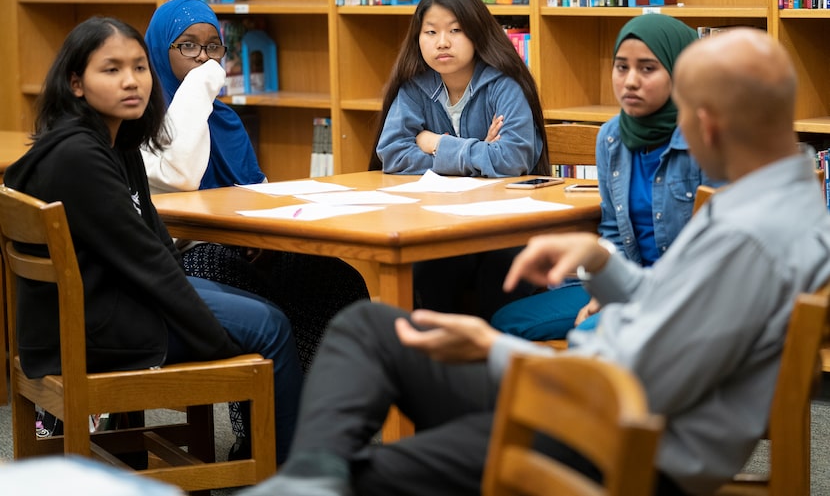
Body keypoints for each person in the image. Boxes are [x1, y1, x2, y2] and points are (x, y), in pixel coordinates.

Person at [237, 28, 830, 496]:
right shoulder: (779, 203)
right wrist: (603, 261)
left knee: (365, 471)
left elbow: (635, 387)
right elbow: (673, 310)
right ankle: (309, 474)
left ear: (706, 123)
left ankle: (310, 477)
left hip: (601, 439)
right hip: (583, 406)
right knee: (371, 329)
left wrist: (493, 350)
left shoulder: (750, 237)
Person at [3, 16, 302, 465]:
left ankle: (277, 459)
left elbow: (155, 242)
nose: (132, 81)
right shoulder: (78, 157)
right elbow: (147, 264)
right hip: (94, 327)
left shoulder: (114, 141)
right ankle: (292, 477)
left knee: (259, 308)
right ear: (75, 83)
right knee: (269, 326)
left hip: (105, 304)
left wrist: (207, 315)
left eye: (140, 67)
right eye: (112, 69)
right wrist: (213, 342)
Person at [141, 0, 370, 374]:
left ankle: (325, 415)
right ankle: (260, 429)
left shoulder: (226, 119)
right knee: (249, 293)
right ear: (159, 53)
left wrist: (266, 239)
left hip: (242, 243)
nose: (202, 59)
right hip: (183, 256)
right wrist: (200, 86)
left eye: (213, 46)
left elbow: (257, 189)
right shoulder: (144, 120)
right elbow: (180, 177)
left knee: (338, 280)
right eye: (188, 46)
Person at [491, 14, 720, 341]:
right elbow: (613, 231)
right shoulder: (612, 137)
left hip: (688, 294)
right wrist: (606, 290)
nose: (630, 81)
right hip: (626, 282)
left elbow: (722, 251)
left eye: (647, 68)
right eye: (621, 67)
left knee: (588, 336)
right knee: (505, 321)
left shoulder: (707, 140)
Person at [369, 0, 549, 318]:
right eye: (431, 31)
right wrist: (480, 152)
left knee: (501, 271)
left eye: (455, 30)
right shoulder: (414, 87)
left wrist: (435, 143)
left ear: (478, 33)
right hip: (439, 224)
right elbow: (392, 153)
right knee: (428, 268)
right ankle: (433, 364)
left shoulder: (504, 85)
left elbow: (511, 159)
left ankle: (495, 362)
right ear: (417, 37)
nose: (442, 42)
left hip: (506, 226)